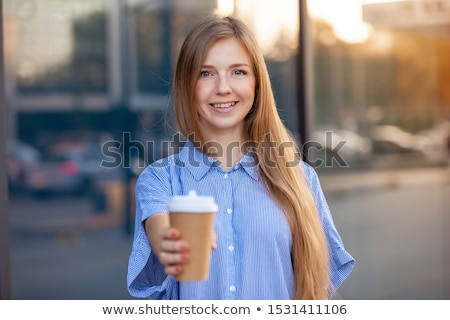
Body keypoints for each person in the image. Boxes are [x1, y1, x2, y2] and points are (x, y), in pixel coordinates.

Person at [127, 14, 355, 300]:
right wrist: (169, 244)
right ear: (188, 86)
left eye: (238, 72)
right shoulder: (160, 180)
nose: (223, 87)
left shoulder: (301, 179)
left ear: (257, 84)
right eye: (206, 73)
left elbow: (318, 287)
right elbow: (161, 231)